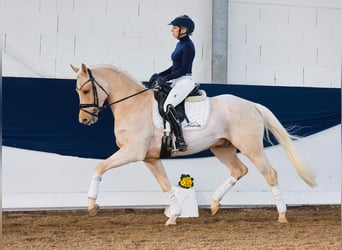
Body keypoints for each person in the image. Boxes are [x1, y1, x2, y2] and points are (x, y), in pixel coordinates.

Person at [150, 15, 196, 152]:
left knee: (168, 106)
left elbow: (182, 70)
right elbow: (174, 66)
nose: (172, 30)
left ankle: (180, 140)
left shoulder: (188, 46)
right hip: (177, 79)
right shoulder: (180, 44)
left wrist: (166, 78)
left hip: (185, 81)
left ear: (184, 30)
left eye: (175, 28)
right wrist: (160, 75)